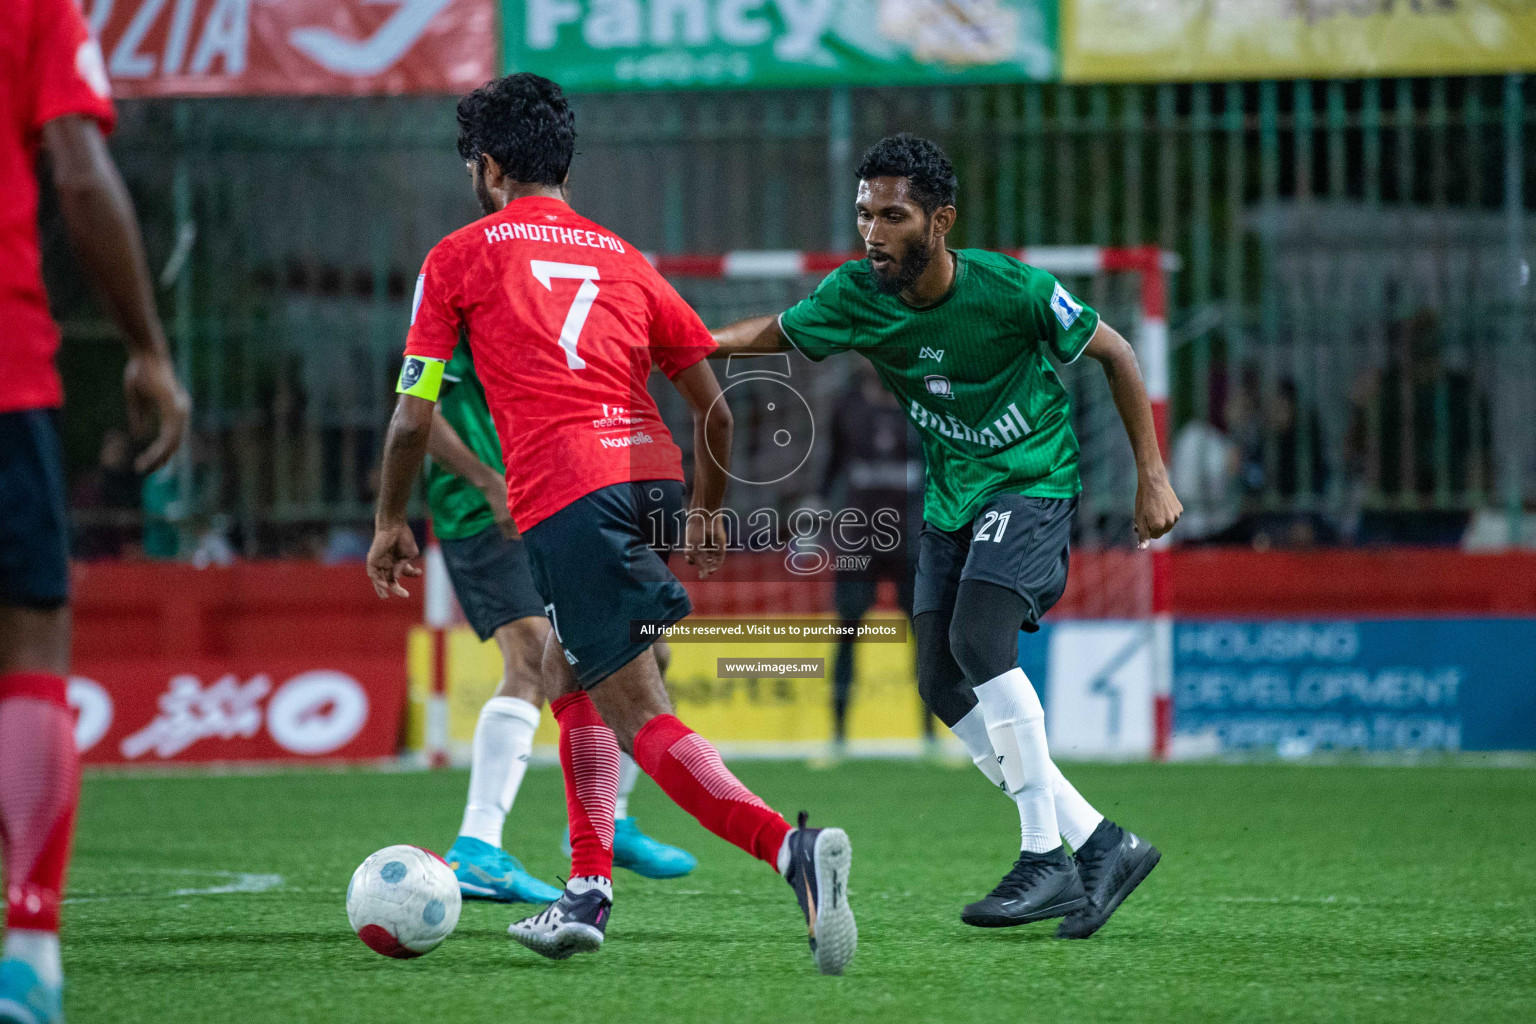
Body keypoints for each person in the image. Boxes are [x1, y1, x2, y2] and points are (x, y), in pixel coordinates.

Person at [366, 74, 856, 975]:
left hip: (567, 494)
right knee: (564, 666)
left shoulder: (459, 256)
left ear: (490, 164)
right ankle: (587, 891)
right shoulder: (628, 259)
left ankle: (789, 851)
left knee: (638, 713)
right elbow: (715, 408)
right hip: (653, 481)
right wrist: (706, 516)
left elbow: (409, 416)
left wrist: (390, 520)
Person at [711, 134, 1180, 938]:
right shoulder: (858, 295)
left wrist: (1152, 474)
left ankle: (1045, 858)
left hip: (1031, 482)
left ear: (941, 220)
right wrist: (682, 343)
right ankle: (1103, 843)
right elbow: (774, 336)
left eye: (893, 215)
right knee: (938, 680)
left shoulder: (1011, 289)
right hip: (952, 501)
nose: (873, 231)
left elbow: (1117, 351)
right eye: (864, 213)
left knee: (980, 640)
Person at [0, 3, 190, 1021]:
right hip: (5, 371)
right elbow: (79, 170)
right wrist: (148, 348)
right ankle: (29, 947)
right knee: (30, 642)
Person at [423, 343, 696, 901]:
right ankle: (477, 845)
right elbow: (416, 415)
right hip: (483, 510)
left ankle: (612, 820)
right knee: (530, 656)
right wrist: (487, 482)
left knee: (647, 651)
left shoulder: (545, 310)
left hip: (558, 499)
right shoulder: (462, 310)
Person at [817, 363, 929, 755]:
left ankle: (932, 735)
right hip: (857, 538)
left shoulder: (921, 404)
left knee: (926, 635)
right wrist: (814, 508)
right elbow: (830, 466)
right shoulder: (846, 406)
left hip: (914, 538)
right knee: (847, 630)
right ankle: (838, 734)